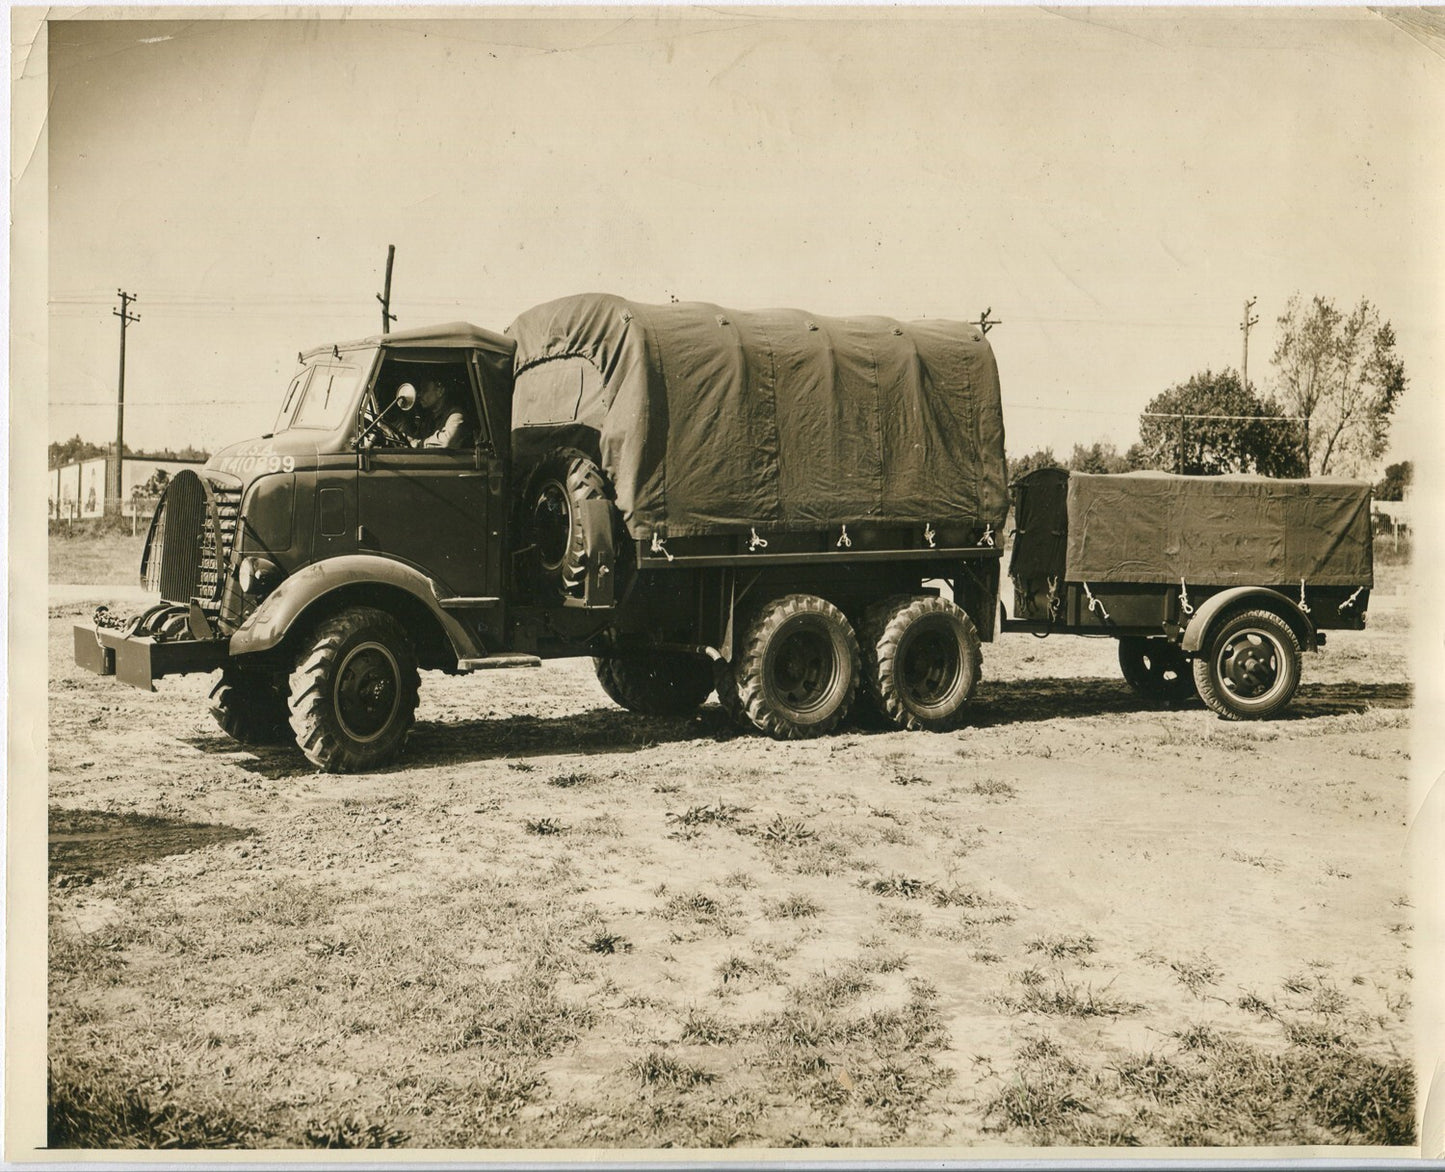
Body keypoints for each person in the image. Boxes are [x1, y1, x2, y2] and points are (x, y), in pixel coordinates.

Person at [407, 377, 474, 450]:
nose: (419, 395)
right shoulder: (428, 418)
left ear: (440, 391)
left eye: (425, 390)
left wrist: (420, 443)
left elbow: (447, 441)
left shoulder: (456, 415)